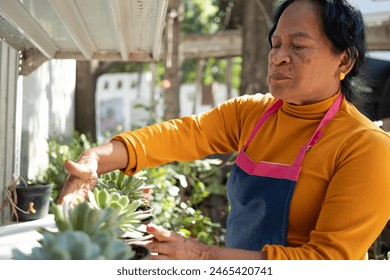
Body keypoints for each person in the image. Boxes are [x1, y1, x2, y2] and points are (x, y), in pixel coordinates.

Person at [58, 0, 390, 260]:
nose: (278, 58)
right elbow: (180, 135)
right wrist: (96, 160)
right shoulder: (250, 113)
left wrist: (204, 256)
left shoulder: (365, 147)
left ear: (344, 61)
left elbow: (328, 263)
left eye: (298, 46)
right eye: (276, 44)